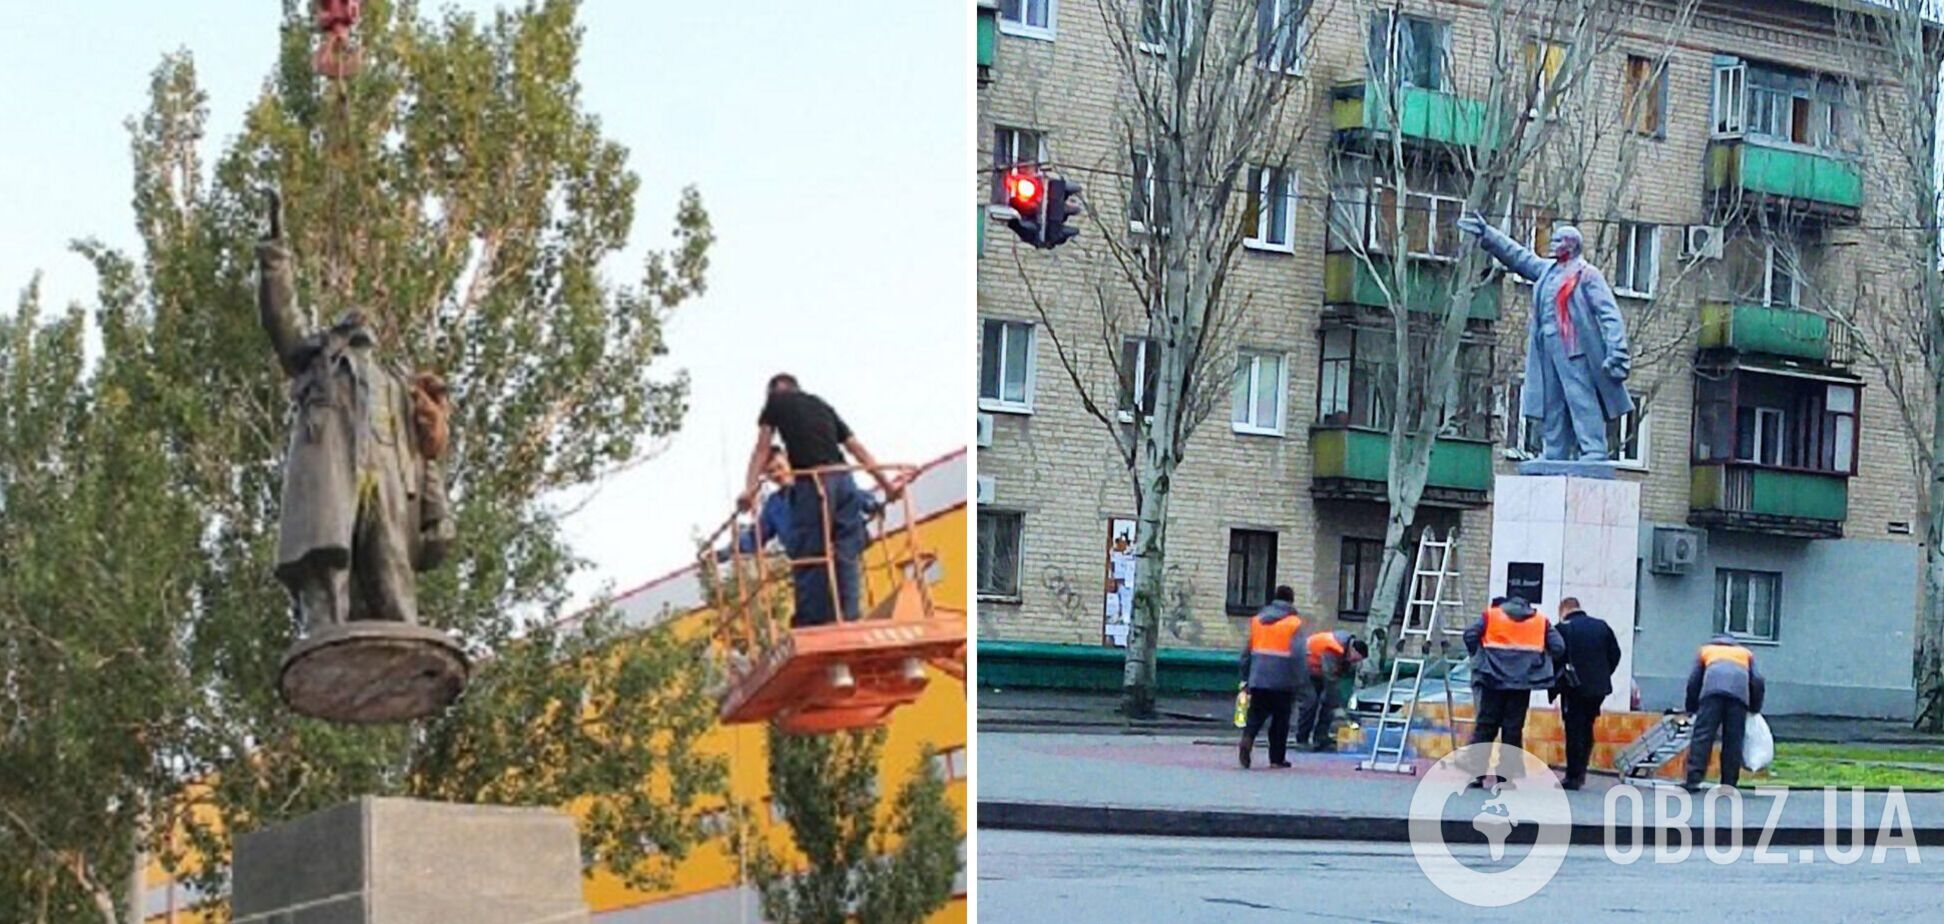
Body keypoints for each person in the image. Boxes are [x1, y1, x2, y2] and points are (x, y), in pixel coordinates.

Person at [1456, 212, 1633, 461]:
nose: (1553, 244)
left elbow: (1609, 314)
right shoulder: (1547, 270)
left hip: (1575, 349)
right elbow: (1519, 257)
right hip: (1548, 347)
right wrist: (1488, 234)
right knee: (1552, 401)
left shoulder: (1586, 274)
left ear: (1572, 246)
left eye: (1558, 240)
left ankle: (1593, 448)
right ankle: (1554, 450)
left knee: (1580, 398)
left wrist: (1617, 351)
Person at [741, 374, 899, 627]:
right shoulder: (822, 405)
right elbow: (856, 448)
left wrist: (748, 490)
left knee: (810, 549)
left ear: (774, 393)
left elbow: (761, 448)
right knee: (845, 549)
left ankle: (810, 621)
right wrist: (887, 485)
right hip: (844, 479)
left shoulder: (775, 404)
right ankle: (848, 618)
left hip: (814, 483)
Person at [1463, 596, 1565, 784]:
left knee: (1486, 726)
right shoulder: (1540, 621)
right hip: (1521, 683)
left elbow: (1469, 635)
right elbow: (1558, 647)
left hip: (1492, 679)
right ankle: (1505, 777)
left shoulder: (1491, 616)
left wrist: (1481, 658)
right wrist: (1538, 664)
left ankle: (1476, 775)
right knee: (1512, 729)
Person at [1550, 597, 1621, 790]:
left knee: (1574, 730)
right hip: (1598, 689)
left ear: (1563, 610)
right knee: (1587, 726)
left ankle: (1573, 776)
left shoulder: (1562, 628)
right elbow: (1615, 654)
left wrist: (1554, 686)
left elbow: (1555, 658)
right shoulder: (1601, 626)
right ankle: (1581, 771)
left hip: (1573, 688)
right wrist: (1603, 674)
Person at [1683, 635, 1766, 790]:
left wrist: (1692, 707)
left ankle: (1693, 780)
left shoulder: (1706, 651)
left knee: (1703, 736)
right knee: (1733, 740)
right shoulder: (1745, 653)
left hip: (1711, 694)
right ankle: (1729, 783)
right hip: (1739, 697)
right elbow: (1758, 681)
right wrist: (1755, 707)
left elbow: (1694, 680)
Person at [1238, 585, 1307, 769]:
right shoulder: (1294, 623)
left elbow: (1246, 653)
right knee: (1280, 719)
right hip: (1283, 680)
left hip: (1258, 677)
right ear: (1291, 600)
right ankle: (1276, 759)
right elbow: (1299, 654)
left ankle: (1247, 739)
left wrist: (1245, 677)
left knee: (1255, 715)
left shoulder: (1258, 620)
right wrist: (1301, 680)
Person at [1296, 630, 1368, 752]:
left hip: (1318, 671)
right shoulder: (1333, 648)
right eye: (1355, 660)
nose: (1354, 663)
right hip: (1304, 668)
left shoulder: (1345, 650)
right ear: (1353, 651)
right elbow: (1330, 676)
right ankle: (1302, 740)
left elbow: (1338, 676)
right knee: (1310, 702)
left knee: (1329, 704)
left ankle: (1321, 738)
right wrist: (1339, 703)